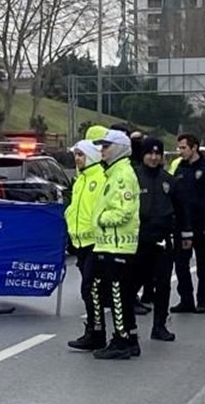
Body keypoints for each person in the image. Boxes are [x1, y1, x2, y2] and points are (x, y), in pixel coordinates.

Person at [88, 129, 142, 360]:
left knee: (118, 294)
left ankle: (121, 340)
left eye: (106, 146)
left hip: (117, 244)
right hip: (110, 244)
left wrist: (99, 220)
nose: (102, 151)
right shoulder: (114, 173)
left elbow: (124, 211)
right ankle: (129, 337)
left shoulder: (121, 176)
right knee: (120, 293)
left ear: (119, 149)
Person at [133, 137, 192, 341]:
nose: (154, 157)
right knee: (131, 284)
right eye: (150, 153)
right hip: (137, 240)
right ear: (143, 155)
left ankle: (159, 326)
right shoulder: (132, 177)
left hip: (163, 240)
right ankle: (127, 329)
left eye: (157, 154)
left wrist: (186, 234)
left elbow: (182, 210)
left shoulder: (168, 180)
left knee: (163, 285)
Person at [170, 133, 205, 314]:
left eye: (183, 148)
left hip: (201, 223)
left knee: (202, 262)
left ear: (194, 148)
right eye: (179, 148)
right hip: (182, 224)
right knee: (180, 264)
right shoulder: (180, 168)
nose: (180, 151)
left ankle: (202, 300)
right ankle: (186, 299)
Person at [66, 140, 107, 350]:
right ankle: (93, 329)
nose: (77, 159)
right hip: (80, 243)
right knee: (88, 290)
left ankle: (96, 332)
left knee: (91, 289)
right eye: (76, 155)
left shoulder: (99, 178)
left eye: (81, 155)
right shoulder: (80, 179)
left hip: (95, 243)